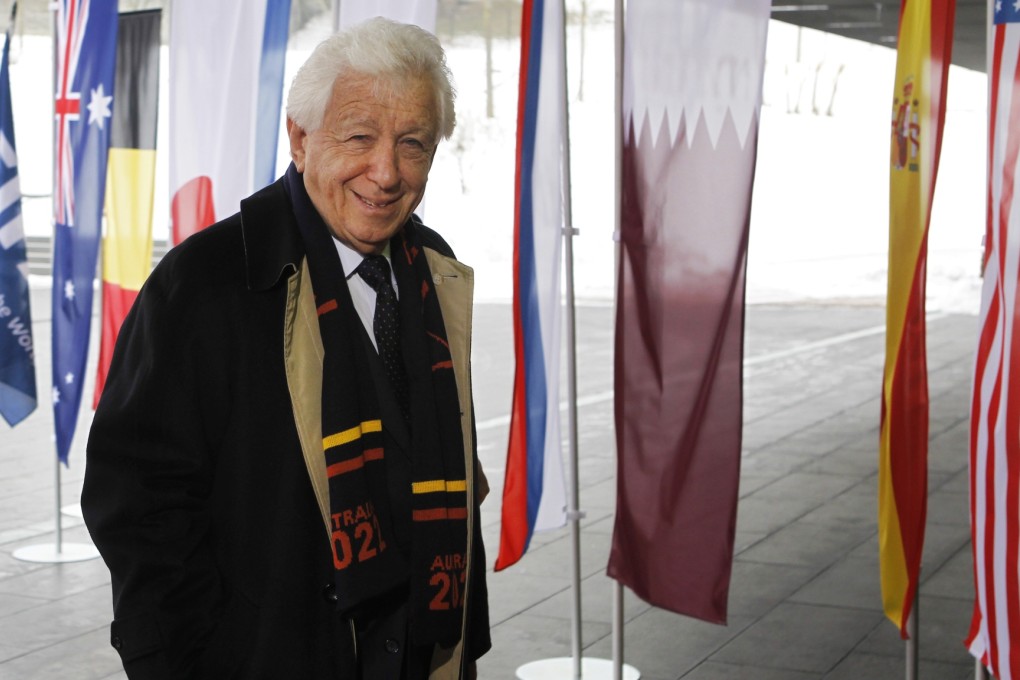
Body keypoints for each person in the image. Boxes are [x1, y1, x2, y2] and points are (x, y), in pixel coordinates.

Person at [82, 17, 490, 680]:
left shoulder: (434, 269)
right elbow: (137, 504)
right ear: (300, 139)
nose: (385, 172)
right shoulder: (203, 284)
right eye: (359, 136)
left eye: (412, 143)